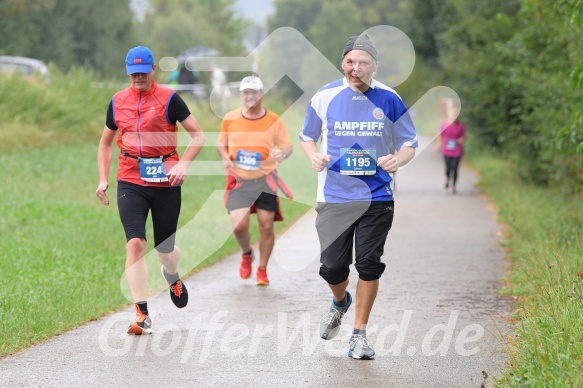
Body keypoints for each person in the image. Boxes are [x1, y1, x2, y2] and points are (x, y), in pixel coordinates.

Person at [299, 34, 418, 360]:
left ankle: (359, 335)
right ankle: (340, 301)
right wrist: (314, 156)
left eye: (363, 62)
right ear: (343, 64)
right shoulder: (325, 96)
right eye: (351, 61)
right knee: (332, 267)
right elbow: (307, 136)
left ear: (374, 66)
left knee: (368, 264)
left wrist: (399, 159)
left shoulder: (389, 98)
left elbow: (410, 142)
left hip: (377, 197)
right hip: (334, 196)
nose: (356, 68)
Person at [96, 46, 206, 335]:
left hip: (165, 180)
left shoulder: (169, 98)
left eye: (143, 72)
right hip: (130, 179)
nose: (138, 78)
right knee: (135, 244)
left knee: (164, 250)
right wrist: (103, 179)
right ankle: (142, 313)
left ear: (153, 69)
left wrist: (182, 164)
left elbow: (198, 135)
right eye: (133, 74)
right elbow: (106, 143)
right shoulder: (117, 101)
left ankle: (172, 274)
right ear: (127, 72)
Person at [217, 76, 293, 286]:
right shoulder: (230, 118)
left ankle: (262, 269)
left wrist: (282, 154)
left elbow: (288, 146)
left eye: (255, 92)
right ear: (241, 95)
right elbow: (221, 142)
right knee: (239, 226)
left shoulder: (274, 120)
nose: (250, 96)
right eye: (246, 93)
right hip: (239, 180)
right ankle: (247, 253)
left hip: (264, 180)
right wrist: (224, 155)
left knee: (266, 226)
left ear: (261, 94)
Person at [438, 106, 466, 194]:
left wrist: (461, 139)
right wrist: (439, 145)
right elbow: (440, 135)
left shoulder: (460, 126)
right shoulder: (444, 124)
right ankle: (447, 179)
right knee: (448, 169)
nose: (454, 116)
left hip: (457, 151)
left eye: (456, 115)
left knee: (455, 168)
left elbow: (463, 135)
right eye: (453, 115)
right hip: (446, 150)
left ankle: (453, 186)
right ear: (449, 115)